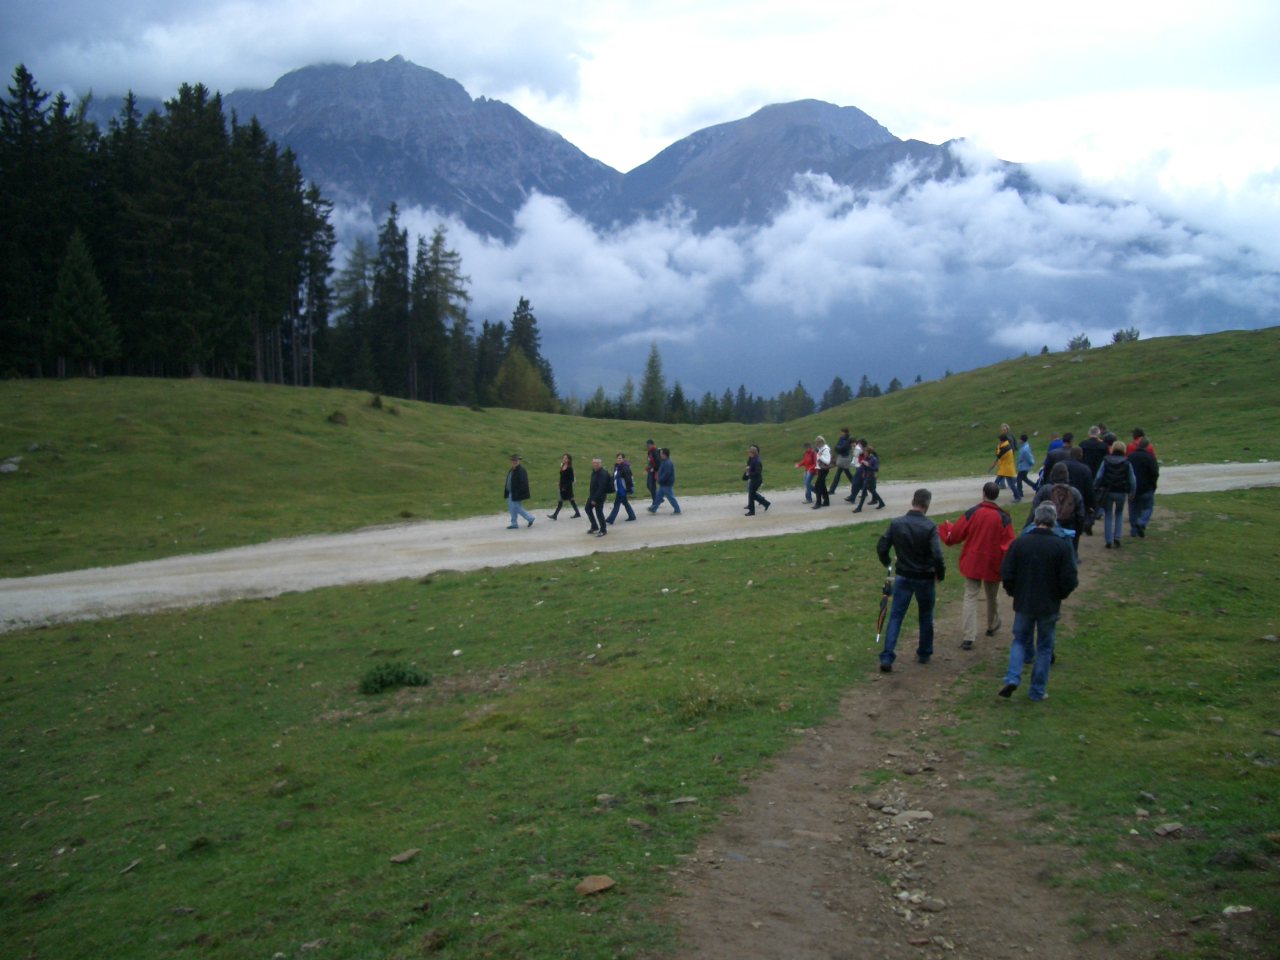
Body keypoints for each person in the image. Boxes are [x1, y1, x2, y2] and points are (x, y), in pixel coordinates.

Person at [998, 502, 1079, 702]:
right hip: (1049, 603)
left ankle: (1013, 677)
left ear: (1035, 519)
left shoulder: (1020, 543)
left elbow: (1007, 572)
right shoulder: (1061, 546)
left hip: (1024, 601)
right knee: (1044, 646)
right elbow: (1070, 577)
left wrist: (1014, 592)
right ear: (1054, 521)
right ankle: (1037, 690)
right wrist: (1060, 594)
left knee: (1019, 640)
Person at [938, 482, 1016, 651]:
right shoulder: (1003, 517)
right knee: (992, 595)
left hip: (973, 560)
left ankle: (969, 635)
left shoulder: (973, 512)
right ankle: (991, 624)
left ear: (983, 493)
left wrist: (948, 530)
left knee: (970, 596)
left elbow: (957, 533)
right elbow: (1009, 542)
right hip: (993, 561)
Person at [875, 488, 946, 672]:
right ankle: (924, 652)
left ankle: (887, 656)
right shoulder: (930, 527)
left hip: (903, 575)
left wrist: (887, 562)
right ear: (927, 505)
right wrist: (940, 573)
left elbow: (882, 546)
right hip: (924, 577)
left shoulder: (897, 523)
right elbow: (937, 555)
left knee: (896, 616)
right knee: (926, 615)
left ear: (912, 501)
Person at [1029, 462, 1085, 558]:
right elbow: (1080, 515)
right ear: (1067, 475)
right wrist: (1078, 532)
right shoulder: (1075, 492)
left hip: (1048, 530)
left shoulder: (1044, 490)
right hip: (1069, 530)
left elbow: (1034, 511)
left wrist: (1028, 529)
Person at [1094, 440, 1136, 548]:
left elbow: (1099, 476)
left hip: (1108, 490)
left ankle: (1108, 540)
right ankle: (1117, 537)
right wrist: (1132, 491)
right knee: (1119, 513)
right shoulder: (1127, 462)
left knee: (1108, 514)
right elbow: (1132, 479)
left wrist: (1095, 487)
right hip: (1121, 491)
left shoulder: (1106, 460)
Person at [1127, 436, 1159, 538]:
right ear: (1148, 446)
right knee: (1148, 507)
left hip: (1133, 488)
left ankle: (1133, 530)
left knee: (1133, 508)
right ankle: (1142, 522)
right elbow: (1155, 473)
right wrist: (1153, 485)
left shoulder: (1131, 457)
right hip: (1147, 487)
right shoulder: (1150, 457)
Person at [504, 454, 535, 529]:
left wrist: (519, 493)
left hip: (516, 493)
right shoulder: (512, 470)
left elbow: (524, 483)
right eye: (513, 460)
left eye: (516, 460)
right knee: (512, 508)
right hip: (510, 492)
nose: (514, 462)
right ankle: (514, 523)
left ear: (519, 461)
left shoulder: (521, 470)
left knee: (517, 507)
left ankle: (530, 518)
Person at [605, 452, 637, 525]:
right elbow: (615, 477)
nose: (619, 459)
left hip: (622, 489)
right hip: (619, 489)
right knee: (625, 503)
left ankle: (610, 519)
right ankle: (632, 516)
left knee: (616, 504)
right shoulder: (617, 467)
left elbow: (628, 480)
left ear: (623, 459)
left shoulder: (625, 468)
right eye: (618, 458)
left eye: (620, 458)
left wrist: (628, 489)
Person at [852, 443, 885, 512]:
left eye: (865, 452)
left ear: (869, 452)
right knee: (872, 491)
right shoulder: (866, 458)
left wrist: (868, 465)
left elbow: (876, 469)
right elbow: (863, 467)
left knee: (864, 492)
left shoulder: (873, 459)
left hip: (870, 478)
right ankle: (881, 503)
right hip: (866, 477)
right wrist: (862, 468)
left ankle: (859, 508)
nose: (864, 453)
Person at [547, 453, 580, 520]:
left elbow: (571, 479)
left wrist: (565, 487)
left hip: (567, 487)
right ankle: (555, 515)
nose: (564, 459)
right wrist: (560, 482)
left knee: (570, 500)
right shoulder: (562, 466)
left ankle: (555, 515)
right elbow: (562, 476)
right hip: (561, 486)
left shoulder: (570, 468)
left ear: (569, 460)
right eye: (563, 458)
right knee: (564, 500)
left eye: (566, 458)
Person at [648, 448, 681, 514]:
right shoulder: (664, 461)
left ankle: (677, 510)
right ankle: (653, 508)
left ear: (664, 455)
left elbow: (666, 474)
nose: (660, 455)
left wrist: (660, 480)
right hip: (663, 483)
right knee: (658, 496)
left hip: (666, 483)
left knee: (670, 497)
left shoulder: (668, 463)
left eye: (661, 453)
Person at [585, 456, 612, 536]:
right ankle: (594, 526)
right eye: (594, 463)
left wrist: (594, 499)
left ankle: (603, 530)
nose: (595, 464)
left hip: (599, 497)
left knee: (599, 512)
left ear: (601, 463)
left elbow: (602, 488)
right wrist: (592, 497)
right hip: (593, 495)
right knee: (587, 509)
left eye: (597, 463)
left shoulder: (602, 473)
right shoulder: (594, 472)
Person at [743, 444, 772, 515]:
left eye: (749, 452)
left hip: (756, 480)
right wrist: (749, 469)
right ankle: (766, 503)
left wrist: (749, 472)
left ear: (753, 453)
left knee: (751, 495)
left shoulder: (757, 461)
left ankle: (752, 512)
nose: (748, 453)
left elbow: (758, 472)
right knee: (752, 494)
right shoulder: (753, 459)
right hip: (753, 479)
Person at [829, 428, 855, 496]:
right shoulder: (841, 439)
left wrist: (838, 448)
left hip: (845, 458)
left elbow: (843, 448)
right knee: (843, 474)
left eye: (842, 432)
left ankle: (832, 490)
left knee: (845, 474)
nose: (841, 433)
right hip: (842, 458)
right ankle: (832, 490)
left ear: (845, 432)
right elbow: (837, 447)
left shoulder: (848, 440)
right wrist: (838, 448)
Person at [993, 429, 1017, 498]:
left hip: (1006, 469)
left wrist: (998, 447)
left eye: (1000, 440)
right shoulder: (1007, 446)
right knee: (998, 482)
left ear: (1002, 440)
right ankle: (1017, 496)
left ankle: (1017, 496)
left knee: (1009, 484)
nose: (999, 441)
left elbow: (998, 455)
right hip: (1006, 468)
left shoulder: (1005, 448)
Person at [812, 435, 832, 509]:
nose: (816, 445)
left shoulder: (825, 449)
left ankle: (818, 503)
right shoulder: (821, 449)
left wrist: (820, 455)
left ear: (821, 443)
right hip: (820, 469)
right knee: (822, 486)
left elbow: (827, 461)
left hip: (824, 470)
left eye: (817, 443)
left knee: (818, 486)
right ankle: (826, 501)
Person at [643, 440, 660, 508]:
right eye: (647, 445)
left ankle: (655, 502)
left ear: (652, 444)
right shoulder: (649, 452)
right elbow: (650, 462)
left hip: (654, 471)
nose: (647, 446)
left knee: (652, 486)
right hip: (651, 470)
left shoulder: (655, 451)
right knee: (649, 485)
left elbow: (658, 462)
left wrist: (655, 470)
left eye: (648, 445)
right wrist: (647, 469)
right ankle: (658, 498)